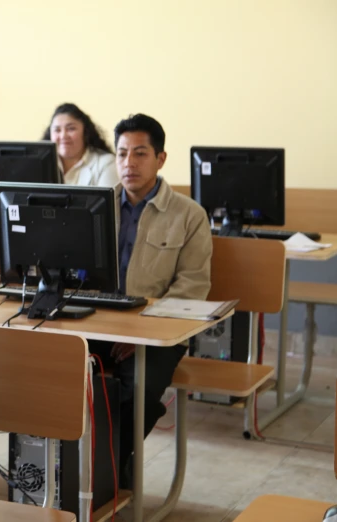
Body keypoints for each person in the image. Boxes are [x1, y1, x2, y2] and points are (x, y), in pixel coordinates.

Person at [92, 113, 212, 486]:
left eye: (140, 154)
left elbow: (191, 287)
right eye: (122, 154)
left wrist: (139, 331)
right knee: (50, 371)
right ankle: (77, 463)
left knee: (138, 389)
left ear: (160, 159)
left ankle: (110, 467)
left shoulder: (189, 215)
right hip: (98, 323)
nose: (129, 164)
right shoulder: (95, 207)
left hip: (159, 332)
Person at [43, 103, 119, 187]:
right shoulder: (41, 165)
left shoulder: (106, 164)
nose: (63, 136)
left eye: (71, 128)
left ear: (85, 132)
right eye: (57, 130)